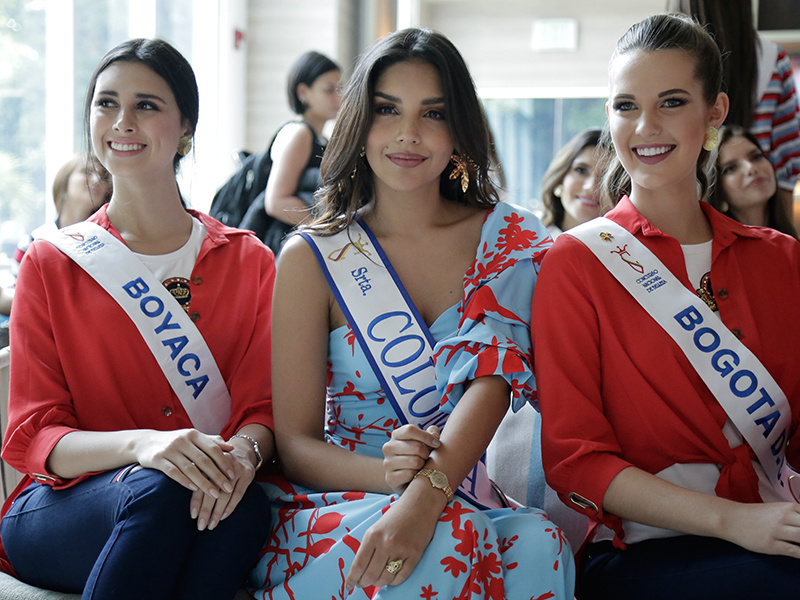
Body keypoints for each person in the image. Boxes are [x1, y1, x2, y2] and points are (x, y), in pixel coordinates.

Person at [249, 27, 575, 600]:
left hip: (456, 493)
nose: (408, 134)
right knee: (457, 538)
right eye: (386, 110)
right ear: (358, 122)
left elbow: (493, 381)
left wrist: (426, 490)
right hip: (341, 499)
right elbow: (295, 443)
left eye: (433, 113)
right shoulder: (313, 255)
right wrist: (389, 477)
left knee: (538, 544)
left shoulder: (509, 237)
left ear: (460, 128)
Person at [533, 13, 800, 600]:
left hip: (780, 528)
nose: (645, 126)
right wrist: (735, 522)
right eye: (625, 105)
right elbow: (575, 460)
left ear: (715, 113)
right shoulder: (577, 263)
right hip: (646, 551)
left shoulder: (781, 261)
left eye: (672, 102)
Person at [0, 38, 275, 600]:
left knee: (243, 510)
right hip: (65, 506)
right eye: (106, 103)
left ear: (187, 128)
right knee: (161, 489)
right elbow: (38, 432)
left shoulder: (250, 261)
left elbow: (262, 407)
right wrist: (145, 446)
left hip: (204, 494)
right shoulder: (51, 263)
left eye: (147, 105)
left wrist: (244, 455)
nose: (122, 121)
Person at [667, 0, 800, 215]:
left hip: (682, 207)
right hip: (755, 215)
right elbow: (787, 158)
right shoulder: (772, 59)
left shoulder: (663, 59)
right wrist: (784, 233)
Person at [256, 51, 341, 253]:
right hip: (284, 243)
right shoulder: (300, 134)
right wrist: (324, 229)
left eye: (340, 89)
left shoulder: (320, 138)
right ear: (303, 92)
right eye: (329, 90)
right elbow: (276, 201)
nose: (338, 97)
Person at [710, 125, 798, 237]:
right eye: (731, 168)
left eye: (756, 157)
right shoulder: (713, 251)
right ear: (717, 189)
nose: (751, 168)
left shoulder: (793, 246)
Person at [540, 128, 603, 237]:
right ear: (560, 177)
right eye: (581, 170)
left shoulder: (629, 250)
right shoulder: (524, 240)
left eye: (605, 177)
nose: (591, 187)